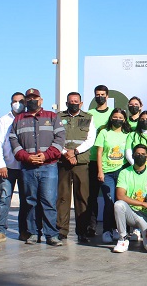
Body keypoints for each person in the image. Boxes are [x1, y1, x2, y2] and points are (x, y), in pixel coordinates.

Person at [9, 88, 65, 246]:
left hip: (49, 166)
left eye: (35, 98)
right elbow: (13, 141)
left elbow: (60, 139)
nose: (32, 101)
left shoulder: (52, 117)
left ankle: (51, 235)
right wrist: (26, 157)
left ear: (41, 100)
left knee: (49, 201)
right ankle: (33, 233)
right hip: (28, 168)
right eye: (29, 98)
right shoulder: (18, 119)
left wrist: (46, 155)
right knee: (30, 202)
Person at [57, 92, 97, 243]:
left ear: (81, 103)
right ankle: (62, 230)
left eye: (76, 101)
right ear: (66, 103)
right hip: (63, 162)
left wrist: (75, 152)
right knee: (62, 197)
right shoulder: (58, 117)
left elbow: (90, 139)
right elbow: (56, 138)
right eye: (70, 101)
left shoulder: (88, 118)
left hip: (81, 163)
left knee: (82, 198)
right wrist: (65, 153)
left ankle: (82, 231)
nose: (73, 103)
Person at [0, 92, 28, 243]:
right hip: (8, 167)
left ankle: (24, 231)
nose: (18, 104)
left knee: (26, 200)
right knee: (4, 198)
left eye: (21, 101)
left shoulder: (28, 118)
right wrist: (1, 165)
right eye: (15, 101)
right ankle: (0, 230)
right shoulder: (4, 120)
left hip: (25, 167)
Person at [112, 144, 147, 253]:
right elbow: (120, 195)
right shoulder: (124, 172)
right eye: (138, 154)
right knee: (119, 204)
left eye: (143, 154)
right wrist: (142, 203)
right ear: (133, 156)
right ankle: (123, 239)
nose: (140, 156)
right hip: (132, 213)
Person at [95, 108, 131, 243]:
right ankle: (107, 230)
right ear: (111, 118)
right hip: (107, 173)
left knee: (120, 202)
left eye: (120, 118)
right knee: (109, 202)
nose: (117, 120)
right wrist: (100, 171)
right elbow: (99, 153)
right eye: (115, 117)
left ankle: (118, 229)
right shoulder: (104, 132)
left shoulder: (128, 134)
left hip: (122, 172)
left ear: (124, 120)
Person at [87, 84, 111, 237]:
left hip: (109, 162)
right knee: (91, 196)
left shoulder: (113, 114)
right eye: (97, 94)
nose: (100, 97)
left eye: (102, 94)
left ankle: (112, 228)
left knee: (110, 197)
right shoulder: (89, 114)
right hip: (91, 160)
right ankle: (91, 226)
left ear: (107, 96)